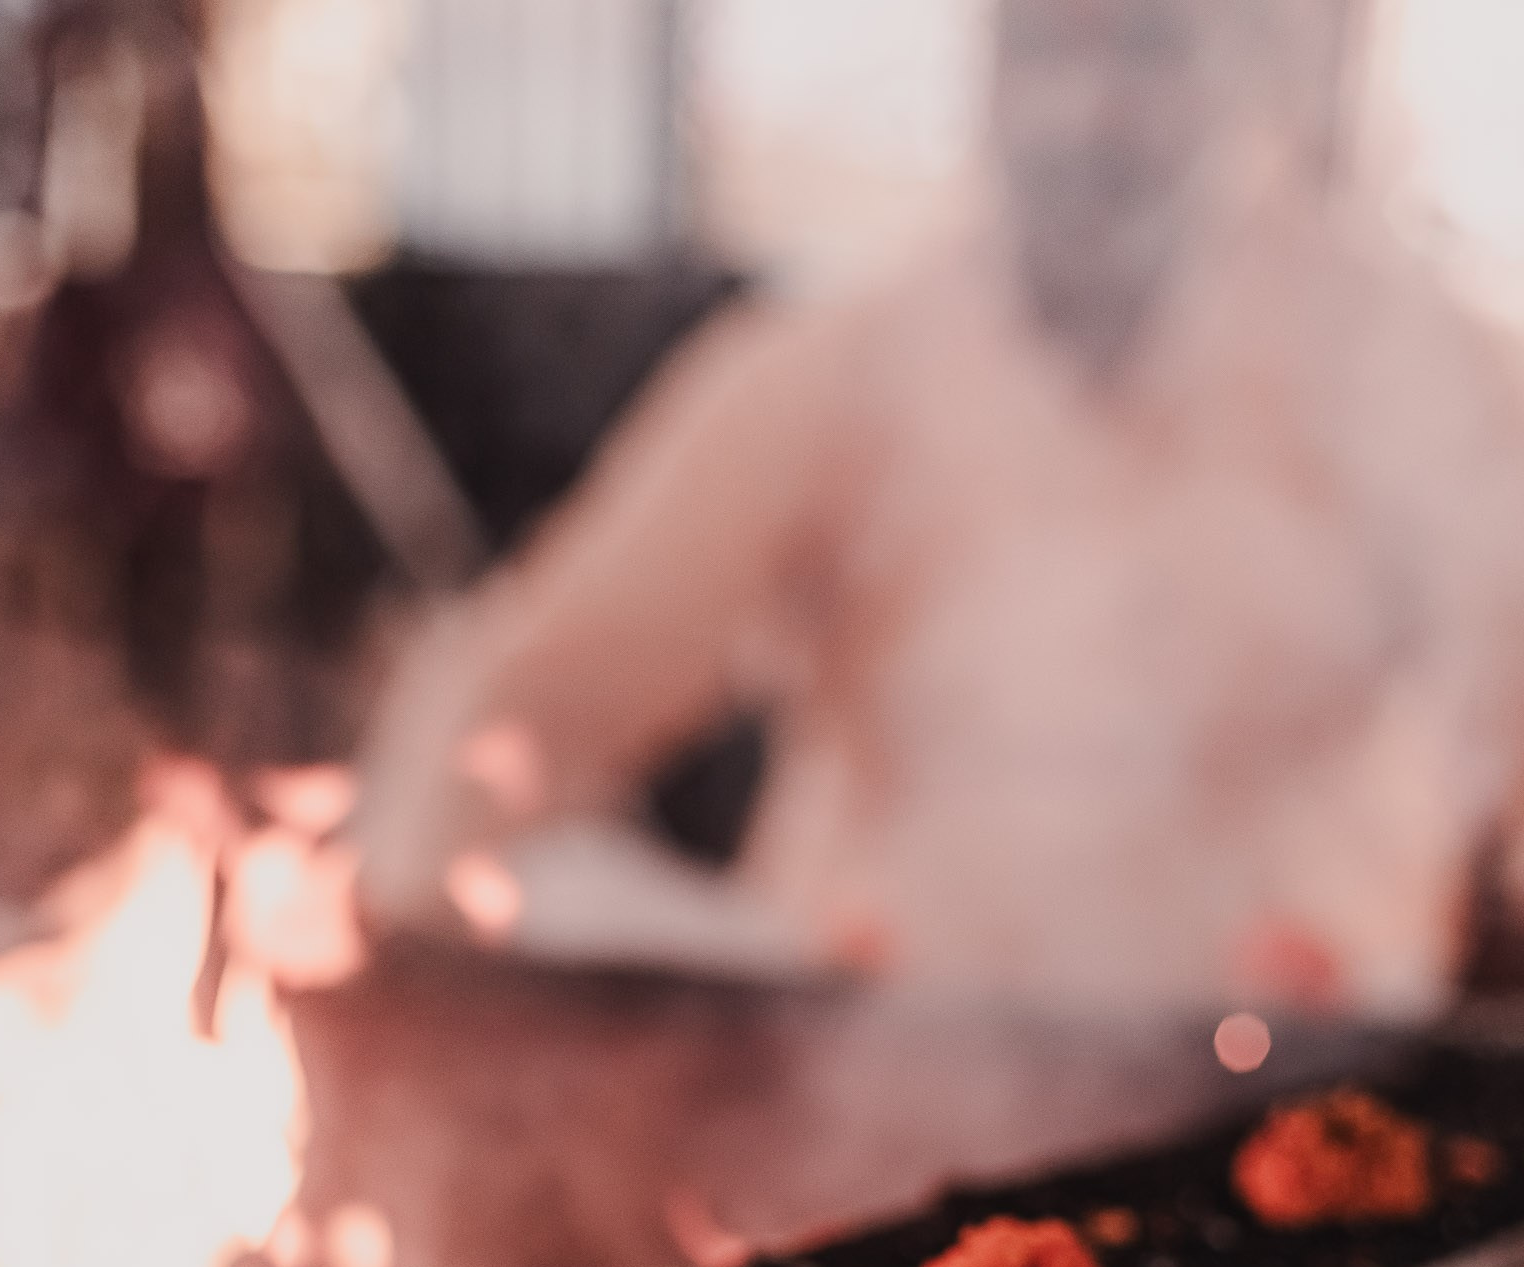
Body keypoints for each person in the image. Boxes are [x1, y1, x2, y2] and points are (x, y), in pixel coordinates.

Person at [353, 0, 1524, 1044]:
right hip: (856, 1128)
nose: (1090, 108)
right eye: (1043, 43)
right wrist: (491, 974)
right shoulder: (833, 371)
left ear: (1251, 51)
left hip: (1293, 1144)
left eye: (1149, 43)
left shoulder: (1412, 378)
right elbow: (506, 711)